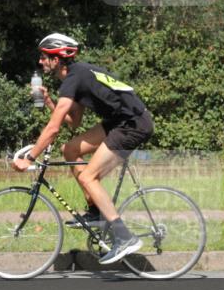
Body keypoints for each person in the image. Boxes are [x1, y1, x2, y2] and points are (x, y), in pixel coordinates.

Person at [11, 33, 154, 264]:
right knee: (70, 150)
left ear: (56, 59)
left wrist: (30, 157)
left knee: (88, 177)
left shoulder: (74, 79)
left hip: (132, 124)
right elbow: (73, 122)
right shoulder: (74, 77)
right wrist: (49, 102)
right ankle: (96, 211)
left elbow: (53, 129)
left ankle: (124, 237)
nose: (40, 61)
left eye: (44, 57)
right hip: (119, 122)